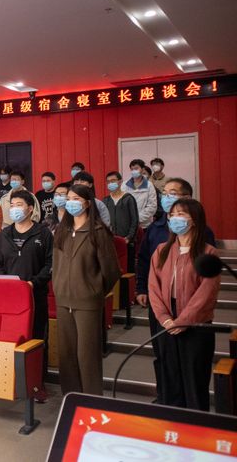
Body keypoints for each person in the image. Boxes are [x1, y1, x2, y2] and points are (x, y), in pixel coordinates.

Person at [135, 178, 216, 403]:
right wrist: (164, 318)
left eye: (181, 215)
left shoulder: (208, 251)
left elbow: (206, 292)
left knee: (194, 377)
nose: (174, 219)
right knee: (168, 370)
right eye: (172, 216)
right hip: (165, 317)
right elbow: (154, 286)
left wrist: (183, 320)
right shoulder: (162, 249)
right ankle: (167, 409)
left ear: (194, 219)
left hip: (194, 320)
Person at [52, 184, 120, 395]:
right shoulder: (61, 231)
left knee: (87, 355)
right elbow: (56, 265)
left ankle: (91, 400)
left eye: (76, 199)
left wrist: (94, 290)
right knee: (67, 355)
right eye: (68, 198)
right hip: (63, 300)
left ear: (88, 203)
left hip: (88, 302)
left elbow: (111, 270)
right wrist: (58, 286)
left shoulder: (98, 232)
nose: (70, 202)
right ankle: (70, 399)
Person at [0, 190, 53, 401]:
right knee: (12, 338)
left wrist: (33, 282)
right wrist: (5, 281)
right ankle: (13, 382)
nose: (15, 209)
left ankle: (37, 384)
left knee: (37, 339)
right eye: (12, 205)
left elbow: (50, 264)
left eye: (19, 205)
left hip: (35, 295)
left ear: (30, 208)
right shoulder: (4, 235)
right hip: (10, 298)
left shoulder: (43, 234)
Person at [103, 171, 139, 270]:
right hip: (111, 243)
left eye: (113, 180)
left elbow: (135, 220)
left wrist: (129, 238)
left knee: (128, 270)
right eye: (108, 181)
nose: (110, 183)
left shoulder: (128, 198)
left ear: (120, 181)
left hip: (127, 242)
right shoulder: (105, 200)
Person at [121, 159, 158, 228]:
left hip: (145, 225)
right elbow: (121, 204)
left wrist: (137, 219)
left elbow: (152, 206)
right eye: (132, 169)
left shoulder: (149, 185)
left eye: (136, 168)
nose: (134, 171)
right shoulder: (124, 185)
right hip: (128, 224)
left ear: (142, 169)